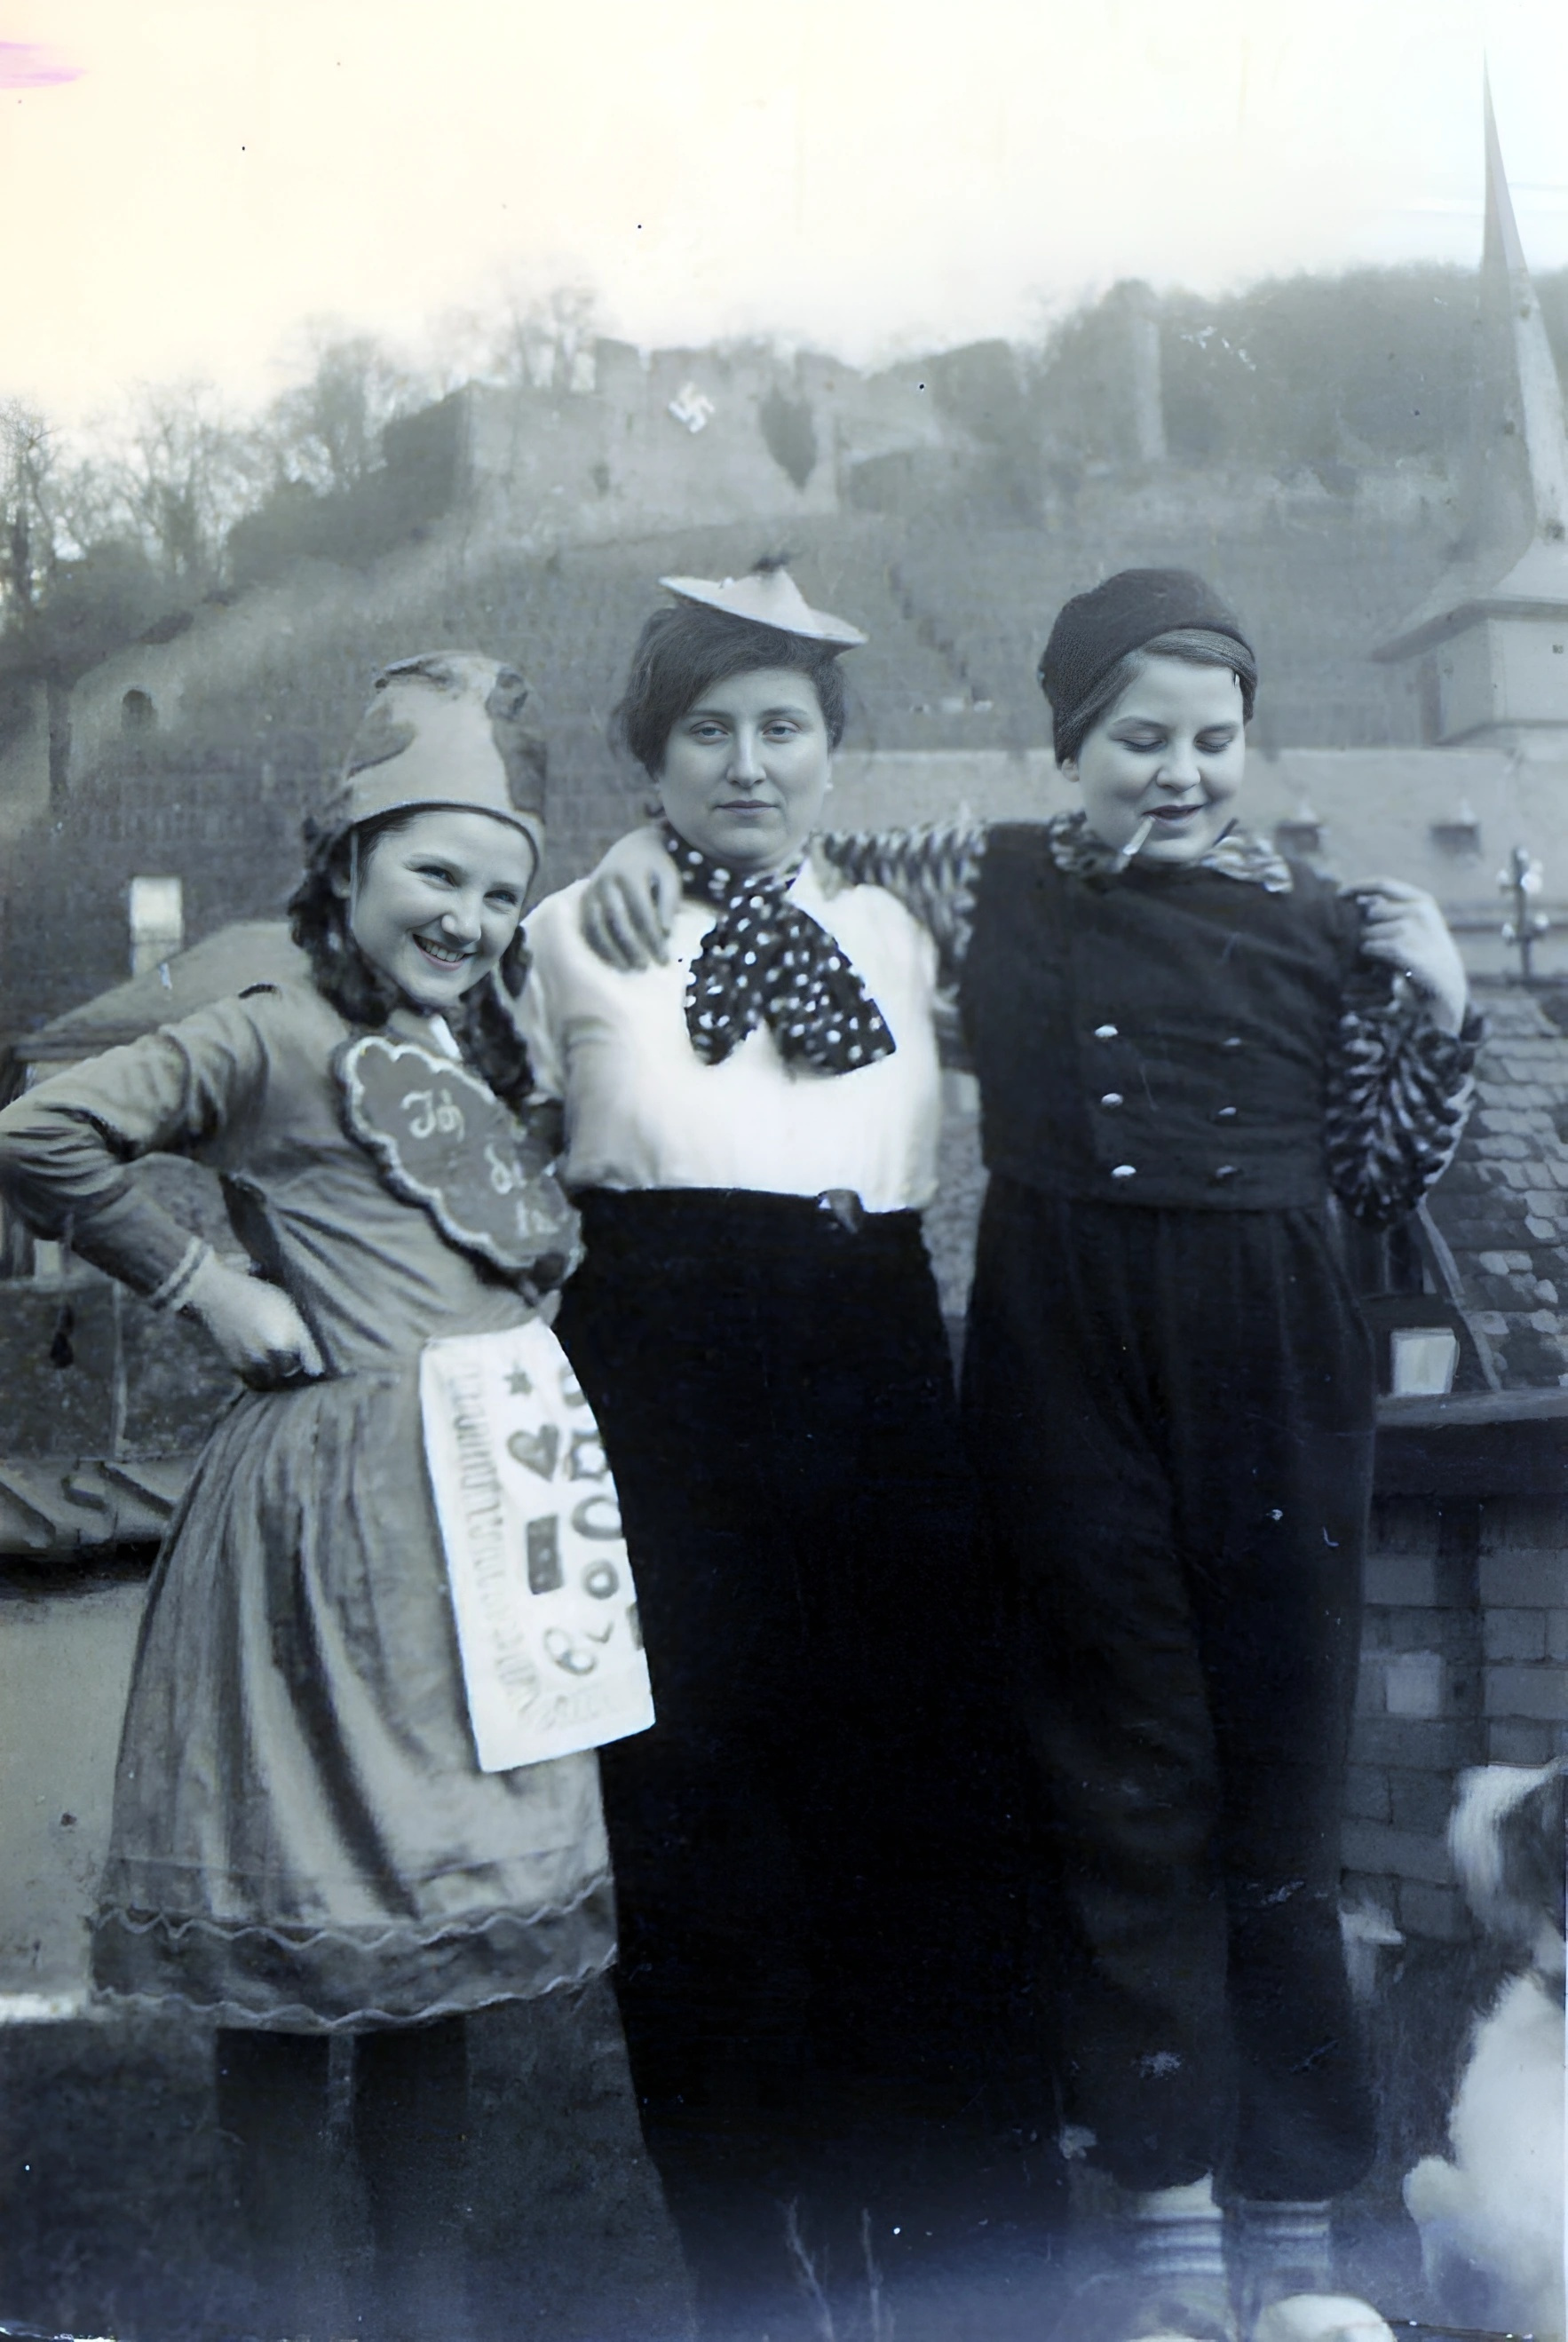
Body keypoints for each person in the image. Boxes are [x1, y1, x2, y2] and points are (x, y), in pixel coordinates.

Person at [579, 568, 1480, 2342]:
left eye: (1212, 740)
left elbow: (1381, 1174)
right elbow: (775, 841)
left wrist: (1436, 1004)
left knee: (1281, 1789)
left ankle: (1298, 2228)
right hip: (1068, 1361)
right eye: (1136, 737)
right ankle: (1165, 2235)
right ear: (1069, 743)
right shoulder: (974, 877)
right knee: (1121, 1782)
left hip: (1273, 1365)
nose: (1177, 770)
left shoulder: (1324, 920)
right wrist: (638, 852)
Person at [0, 654, 621, 2342]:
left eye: (500, 888)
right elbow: (46, 1134)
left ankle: (422, 2312)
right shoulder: (270, 1028)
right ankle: (299, 2315)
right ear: (342, 861)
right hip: (323, 1538)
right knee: (294, 1947)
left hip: (472, 1539)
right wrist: (207, 1283)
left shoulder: (470, 1052)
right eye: (434, 872)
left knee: (430, 1950)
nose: (470, 914)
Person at [518, 561, 1016, 2334]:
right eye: (708, 732)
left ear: (831, 751)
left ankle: (904, 2226)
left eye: (783, 728)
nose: (748, 763)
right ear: (651, 758)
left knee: (901, 1796)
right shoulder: (570, 926)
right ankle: (753, 2248)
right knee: (697, 1822)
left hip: (870, 1349)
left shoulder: (904, 929)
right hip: (661, 1367)